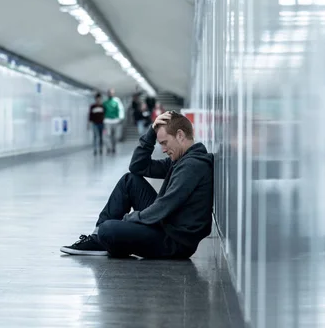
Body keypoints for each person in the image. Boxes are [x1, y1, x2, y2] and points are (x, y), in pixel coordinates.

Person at [60, 111, 214, 259]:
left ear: (180, 135)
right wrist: (151, 133)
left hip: (175, 241)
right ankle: (97, 239)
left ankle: (103, 238)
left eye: (165, 143)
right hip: (168, 224)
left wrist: (129, 219)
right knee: (129, 181)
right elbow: (137, 167)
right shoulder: (181, 160)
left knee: (108, 229)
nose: (164, 149)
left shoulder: (192, 166)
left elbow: (164, 206)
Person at [102, 88, 125, 154]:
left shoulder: (117, 101)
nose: (110, 94)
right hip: (107, 121)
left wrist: (121, 118)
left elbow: (121, 109)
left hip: (115, 121)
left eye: (111, 93)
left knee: (114, 136)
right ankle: (108, 148)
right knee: (107, 135)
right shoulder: (105, 102)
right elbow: (103, 111)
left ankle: (113, 147)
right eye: (109, 93)